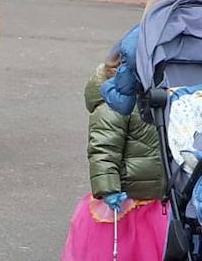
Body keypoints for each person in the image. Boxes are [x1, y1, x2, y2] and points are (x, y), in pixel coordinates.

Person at [61, 36, 167, 261]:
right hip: (124, 202)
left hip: (156, 201)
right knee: (123, 251)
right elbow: (103, 148)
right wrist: (108, 188)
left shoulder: (157, 100)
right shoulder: (116, 104)